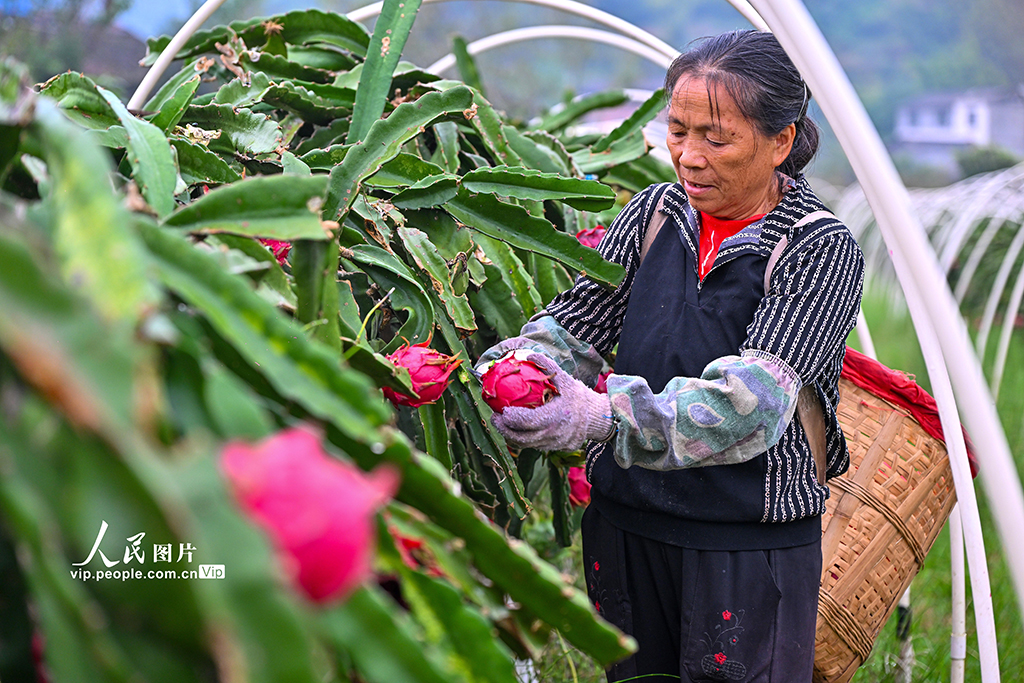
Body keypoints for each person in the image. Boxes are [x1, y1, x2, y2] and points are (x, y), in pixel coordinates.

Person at [477, 30, 865, 682]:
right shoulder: (654, 213)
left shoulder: (815, 246)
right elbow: (577, 324)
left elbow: (753, 405)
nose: (688, 156)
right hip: (624, 528)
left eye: (716, 138)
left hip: (743, 545)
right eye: (678, 131)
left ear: (781, 141)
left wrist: (603, 416)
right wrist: (525, 363)